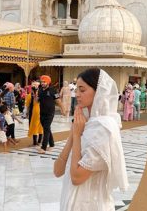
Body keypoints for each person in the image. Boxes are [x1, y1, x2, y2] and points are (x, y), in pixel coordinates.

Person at [53, 67, 128, 211]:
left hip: (91, 204)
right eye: (77, 90)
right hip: (72, 202)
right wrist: (73, 134)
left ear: (98, 92)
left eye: (82, 90)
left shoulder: (103, 128)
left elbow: (77, 177)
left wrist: (77, 135)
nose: (77, 94)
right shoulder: (87, 123)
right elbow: (58, 171)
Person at [38, 75, 58, 154]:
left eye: (44, 82)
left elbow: (58, 100)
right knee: (47, 128)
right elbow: (37, 100)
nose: (42, 83)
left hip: (50, 113)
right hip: (42, 112)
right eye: (41, 82)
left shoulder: (53, 90)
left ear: (48, 82)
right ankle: (52, 144)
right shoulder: (40, 90)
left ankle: (44, 148)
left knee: (46, 129)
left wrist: (63, 109)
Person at [26, 81, 43, 147]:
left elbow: (27, 105)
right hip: (36, 112)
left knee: (36, 126)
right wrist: (27, 113)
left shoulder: (37, 95)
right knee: (38, 126)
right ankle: (38, 141)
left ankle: (36, 142)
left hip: (37, 112)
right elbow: (27, 105)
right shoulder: (30, 95)